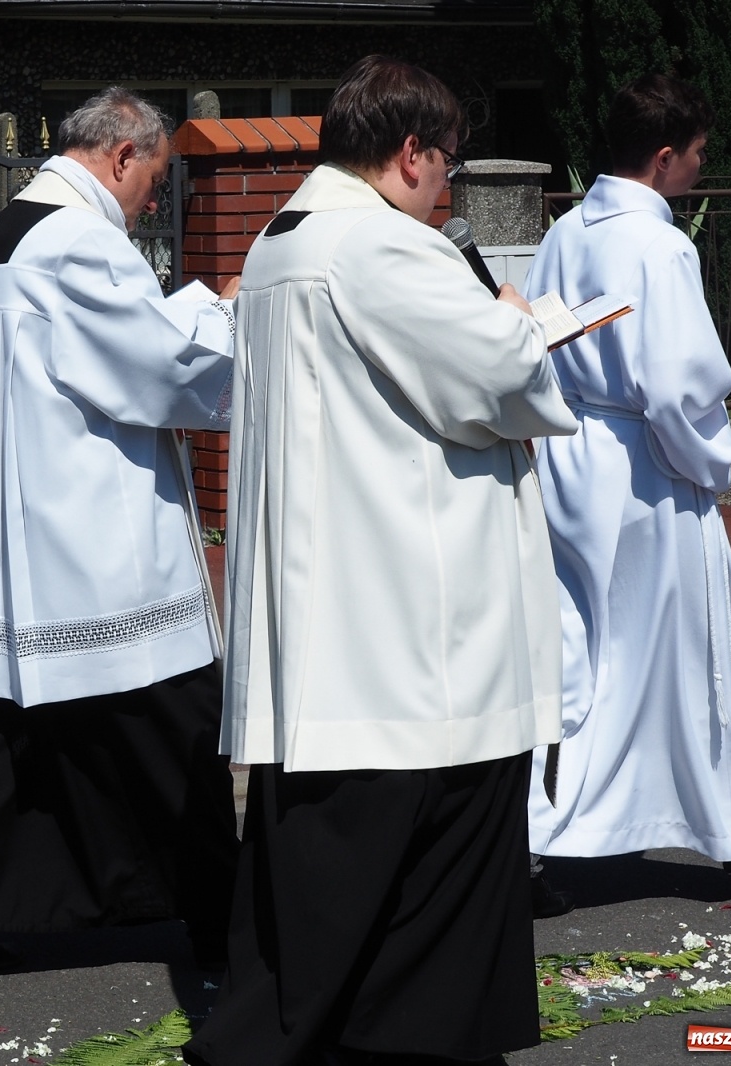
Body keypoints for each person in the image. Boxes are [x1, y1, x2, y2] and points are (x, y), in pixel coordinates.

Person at [184, 56, 579, 1066]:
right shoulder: (381, 250)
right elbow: (495, 372)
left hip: (333, 603)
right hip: (411, 612)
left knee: (322, 873)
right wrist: (530, 329)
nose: (446, 186)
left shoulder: (285, 237)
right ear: (410, 153)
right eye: (445, 166)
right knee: (422, 861)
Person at [0, 87, 241, 978]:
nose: (153, 201)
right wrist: (226, 308)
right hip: (86, 528)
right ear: (121, 156)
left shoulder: (13, 224)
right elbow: (160, 369)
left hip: (9, 525)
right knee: (168, 721)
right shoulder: (80, 240)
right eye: (153, 180)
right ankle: (223, 919)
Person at [523, 74, 731, 899]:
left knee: (588, 654)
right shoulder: (662, 245)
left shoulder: (564, 230)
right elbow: (675, 386)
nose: (703, 169)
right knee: (704, 654)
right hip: (645, 469)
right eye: (699, 155)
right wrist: (709, 463)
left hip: (573, 458)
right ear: (665, 158)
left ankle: (544, 833)